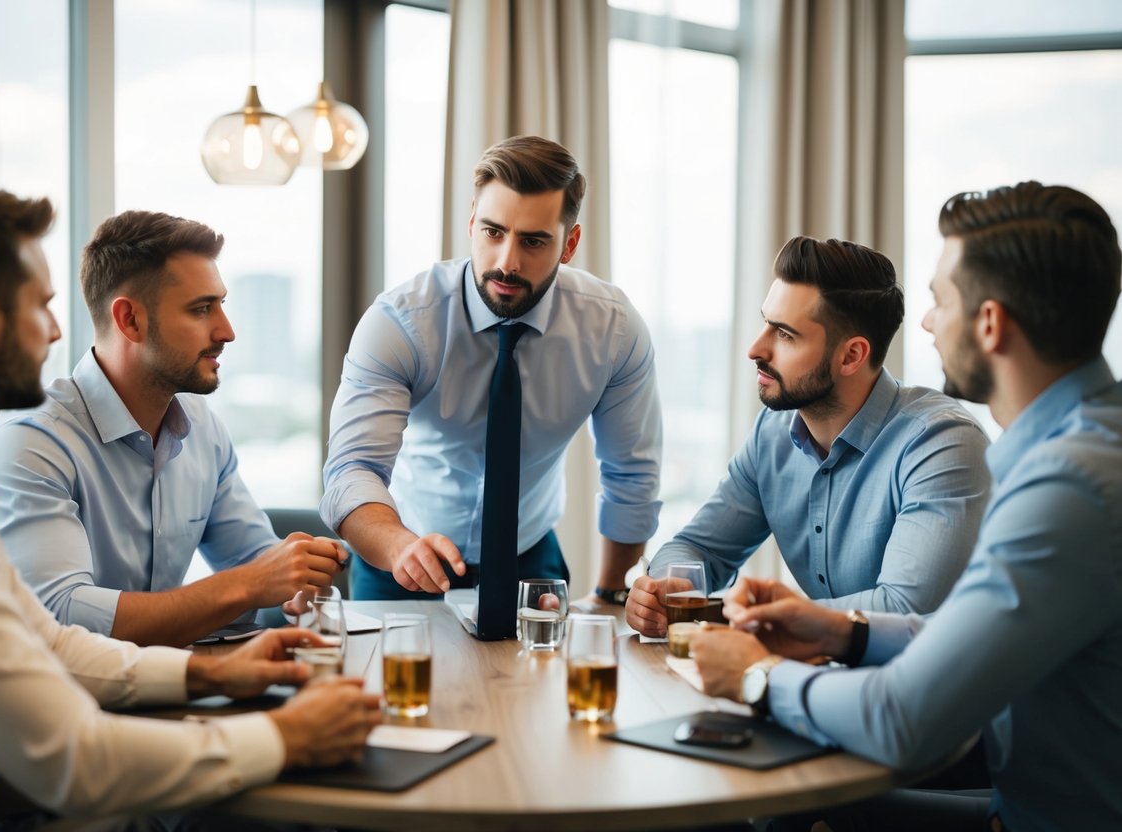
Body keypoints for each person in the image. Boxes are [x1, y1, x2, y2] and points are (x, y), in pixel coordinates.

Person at [0, 180, 382, 832]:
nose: (53, 331)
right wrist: (285, 736)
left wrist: (209, 673)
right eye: (40, 306)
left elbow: (49, 644)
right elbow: (71, 757)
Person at [690, 181, 1122, 830]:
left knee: (741, 813)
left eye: (936, 300)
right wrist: (845, 631)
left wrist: (756, 678)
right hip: (1016, 805)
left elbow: (902, 720)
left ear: (989, 323)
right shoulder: (1079, 450)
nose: (923, 323)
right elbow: (970, 635)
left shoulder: (1069, 489)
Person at [0, 209, 347, 647]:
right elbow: (62, 614)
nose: (226, 331)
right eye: (201, 309)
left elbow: (252, 558)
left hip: (180, 686)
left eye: (221, 305)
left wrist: (296, 578)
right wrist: (251, 584)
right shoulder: (32, 443)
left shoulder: (202, 428)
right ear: (130, 320)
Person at [321, 135, 662, 604]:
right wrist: (398, 546)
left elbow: (631, 475)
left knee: (539, 680)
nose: (507, 262)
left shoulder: (613, 330)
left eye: (534, 241)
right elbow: (352, 469)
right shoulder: (400, 322)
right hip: (401, 553)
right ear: (471, 224)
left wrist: (608, 595)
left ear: (570, 244)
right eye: (493, 232)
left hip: (531, 556)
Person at [626, 236, 990, 636]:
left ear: (851, 356)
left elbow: (903, 609)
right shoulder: (773, 433)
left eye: (784, 334)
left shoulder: (943, 443)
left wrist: (769, 615)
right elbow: (699, 548)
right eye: (766, 322)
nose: (755, 348)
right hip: (815, 678)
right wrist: (667, 589)